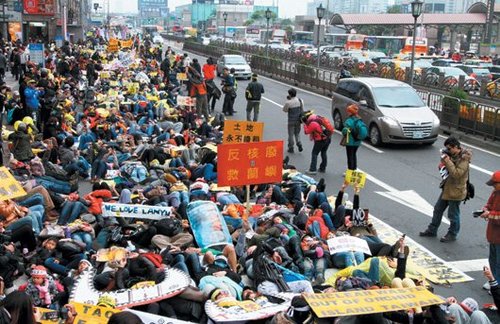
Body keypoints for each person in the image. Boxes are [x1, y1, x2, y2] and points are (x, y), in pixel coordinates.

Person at [420, 136, 472, 242]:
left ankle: (452, 234)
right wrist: (444, 159)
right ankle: (432, 230)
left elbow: (456, 174)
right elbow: (445, 167)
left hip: (456, 192)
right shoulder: (452, 154)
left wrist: (447, 161)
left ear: (456, 147)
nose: (448, 150)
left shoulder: (464, 159)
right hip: (447, 188)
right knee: (438, 209)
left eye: (449, 148)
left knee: (453, 215)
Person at [480, 171, 500, 283]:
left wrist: (489, 214)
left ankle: (496, 283)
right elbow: (490, 204)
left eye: (495, 184)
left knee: (499, 262)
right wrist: (485, 209)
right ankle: (493, 279)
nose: (493, 186)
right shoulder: (495, 192)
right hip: (493, 234)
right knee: (492, 259)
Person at [342, 104, 364, 171]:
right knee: (354, 154)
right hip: (357, 141)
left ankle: (350, 170)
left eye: (348, 111)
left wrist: (344, 131)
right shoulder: (359, 119)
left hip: (350, 141)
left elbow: (345, 131)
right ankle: (354, 169)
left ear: (350, 112)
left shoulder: (349, 121)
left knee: (350, 156)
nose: (347, 112)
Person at [282, 88, 303, 154]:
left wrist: (288, 100)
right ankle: (299, 143)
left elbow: (285, 110)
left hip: (291, 121)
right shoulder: (300, 100)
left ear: (290, 94)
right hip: (298, 120)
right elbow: (302, 109)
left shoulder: (288, 102)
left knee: (291, 135)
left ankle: (291, 147)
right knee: (297, 133)